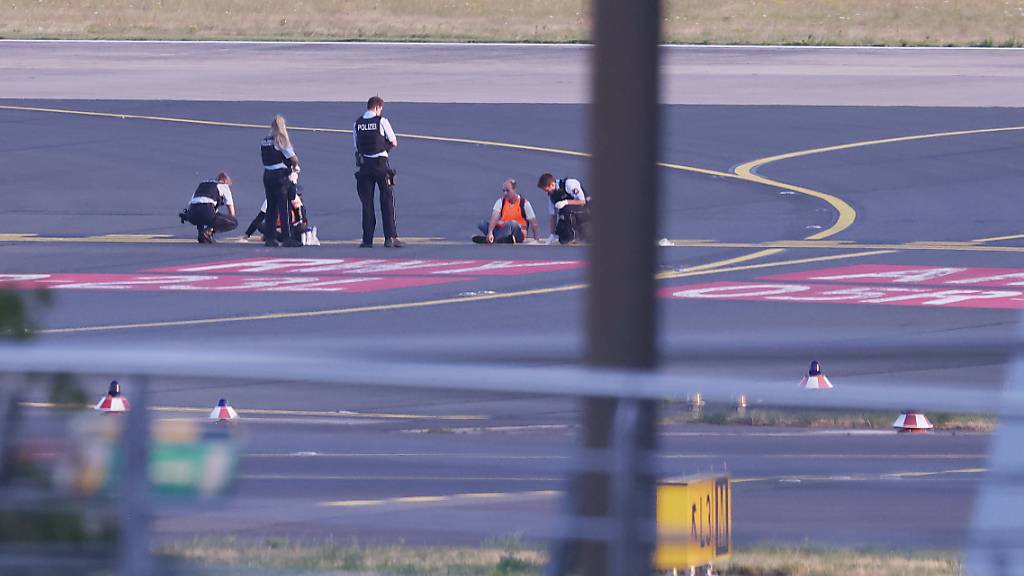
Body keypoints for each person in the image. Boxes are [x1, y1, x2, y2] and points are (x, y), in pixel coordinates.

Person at [354, 96, 403, 248]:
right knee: (386, 201)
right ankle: (390, 237)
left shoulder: (357, 123)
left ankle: (367, 239)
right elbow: (394, 141)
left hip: (364, 167)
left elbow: (356, 146)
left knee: (367, 204)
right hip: (381, 164)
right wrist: (385, 148)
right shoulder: (381, 121)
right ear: (377, 107)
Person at [261, 115, 302, 247]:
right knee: (284, 207)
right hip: (280, 176)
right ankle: (287, 237)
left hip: (267, 175)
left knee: (271, 208)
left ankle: (270, 237)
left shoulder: (265, 140)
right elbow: (293, 158)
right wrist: (294, 167)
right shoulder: (281, 139)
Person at [473, 179, 541, 244]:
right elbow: (494, 217)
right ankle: (501, 239)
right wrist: (490, 232)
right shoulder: (501, 201)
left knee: (512, 224)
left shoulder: (524, 203)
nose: (505, 193)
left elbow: (534, 223)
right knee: (482, 224)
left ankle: (492, 240)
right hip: (503, 229)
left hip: (518, 232)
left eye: (508, 191)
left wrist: (536, 240)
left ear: (514, 190)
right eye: (503, 191)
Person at [178, 172, 238, 243]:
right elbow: (230, 207)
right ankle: (208, 231)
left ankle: (201, 233)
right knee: (233, 222)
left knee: (201, 209)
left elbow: (192, 203)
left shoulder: (202, 185)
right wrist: (230, 218)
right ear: (225, 181)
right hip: (206, 212)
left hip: (191, 215)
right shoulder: (223, 185)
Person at [537, 173, 590, 244]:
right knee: (563, 238)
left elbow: (582, 201)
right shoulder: (552, 196)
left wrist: (566, 202)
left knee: (566, 210)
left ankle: (575, 237)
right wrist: (552, 234)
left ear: (552, 185)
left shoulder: (569, 184)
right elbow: (553, 215)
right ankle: (568, 237)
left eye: (547, 190)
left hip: (586, 208)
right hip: (571, 212)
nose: (547, 192)